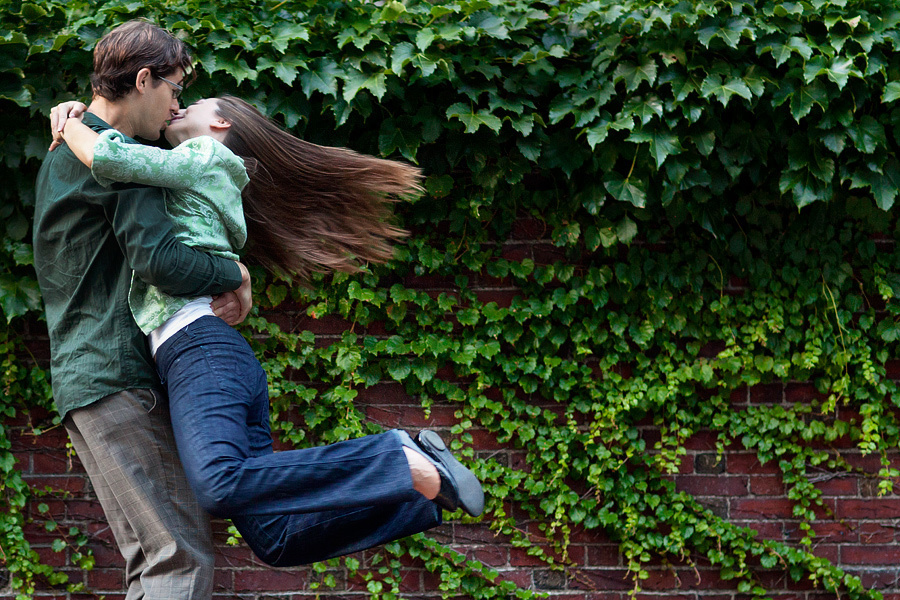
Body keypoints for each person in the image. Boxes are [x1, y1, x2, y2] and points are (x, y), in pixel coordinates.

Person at [48, 90, 484, 567]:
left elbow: (110, 157)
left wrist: (70, 120)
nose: (178, 107)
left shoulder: (205, 154)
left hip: (198, 349)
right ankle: (419, 495)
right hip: (215, 358)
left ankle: (394, 459)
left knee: (218, 482)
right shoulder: (192, 175)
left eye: (193, 105)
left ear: (218, 127)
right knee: (278, 538)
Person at [33, 20, 249, 600]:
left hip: (85, 378)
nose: (177, 103)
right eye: (174, 88)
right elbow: (165, 264)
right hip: (119, 376)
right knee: (177, 558)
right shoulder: (118, 160)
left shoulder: (67, 146)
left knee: (152, 560)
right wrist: (236, 274)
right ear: (146, 78)